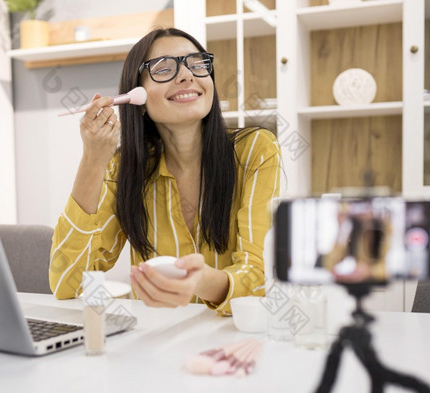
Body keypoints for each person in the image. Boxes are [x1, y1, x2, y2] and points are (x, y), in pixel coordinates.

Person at [49, 28, 281, 315]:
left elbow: (260, 278)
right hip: (153, 340)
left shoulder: (256, 149)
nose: (187, 75)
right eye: (164, 68)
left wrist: (201, 282)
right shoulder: (125, 168)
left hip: (231, 340)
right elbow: (66, 283)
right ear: (138, 98)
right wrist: (93, 160)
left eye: (197, 64)